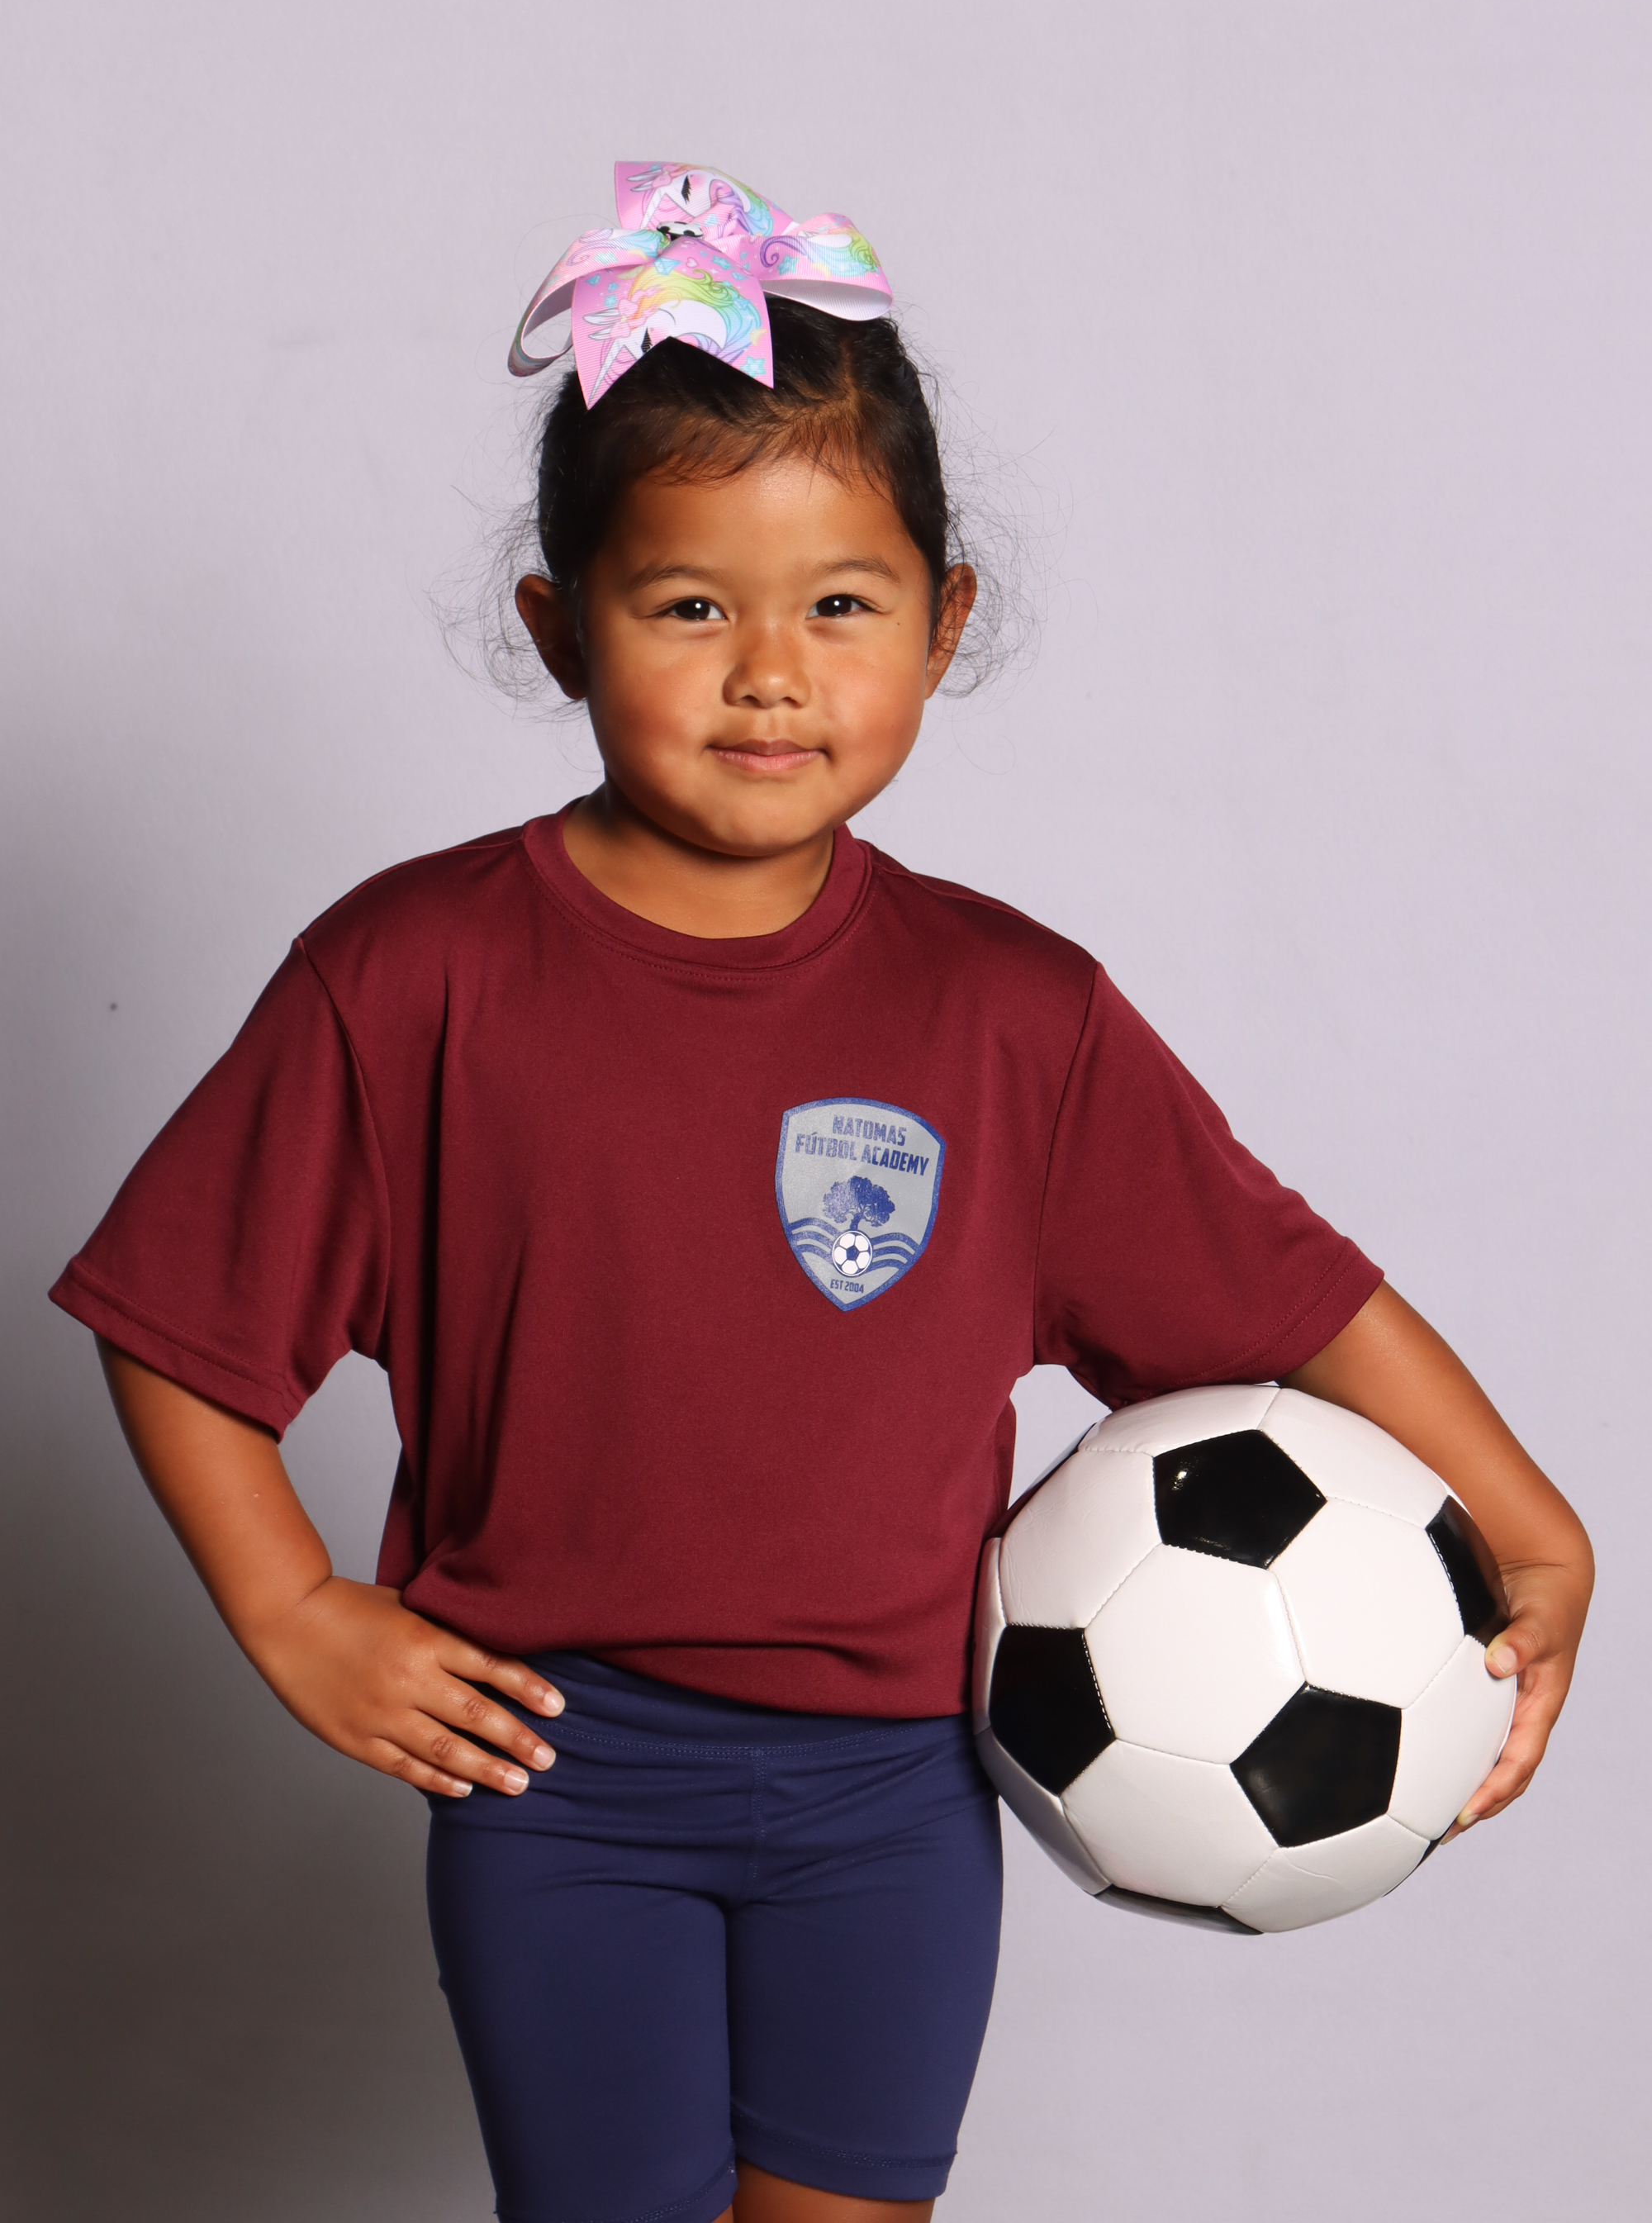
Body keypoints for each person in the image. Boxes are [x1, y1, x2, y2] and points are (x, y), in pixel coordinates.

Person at [50, 164, 1593, 2223]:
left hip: (892, 1796)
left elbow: (1289, 1297)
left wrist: (1530, 1520)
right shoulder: (411, 975)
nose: (769, 672)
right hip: (558, 1779)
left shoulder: (1012, 1013)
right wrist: (292, 1606)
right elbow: (178, 1324)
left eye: (840, 606)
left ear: (945, 621)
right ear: (558, 625)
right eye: (690, 606)